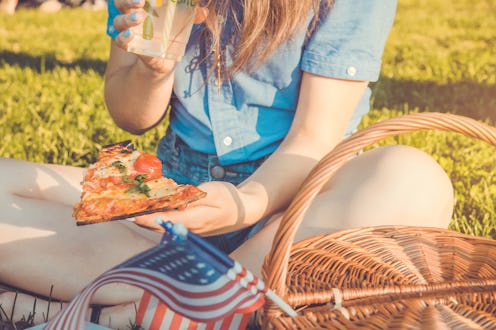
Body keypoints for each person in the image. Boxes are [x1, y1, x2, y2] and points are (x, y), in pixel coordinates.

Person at [0, 0, 454, 328]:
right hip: (175, 194)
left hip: (301, 208)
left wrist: (245, 202)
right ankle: (207, 304)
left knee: (414, 179)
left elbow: (314, 138)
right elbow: (131, 115)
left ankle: (142, 305)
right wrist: (152, 71)